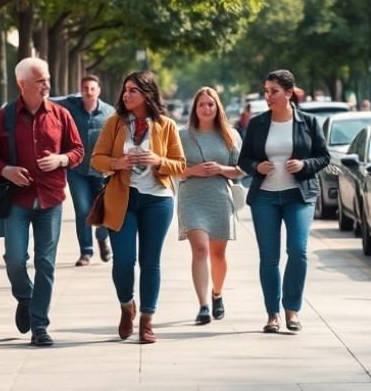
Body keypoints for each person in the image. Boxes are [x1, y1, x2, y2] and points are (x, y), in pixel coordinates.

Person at [0, 57, 84, 347]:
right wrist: (5, 170)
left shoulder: (61, 115)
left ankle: (40, 326)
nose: (47, 85)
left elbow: (77, 150)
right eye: (40, 81)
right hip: (16, 201)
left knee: (46, 264)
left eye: (47, 79)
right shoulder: (4, 116)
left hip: (51, 200)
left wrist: (61, 159)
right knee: (14, 259)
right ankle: (25, 298)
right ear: (22, 84)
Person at [91, 71, 186, 344]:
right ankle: (126, 305)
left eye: (132, 90)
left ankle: (146, 319)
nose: (126, 94)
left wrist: (158, 160)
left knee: (150, 262)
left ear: (147, 94)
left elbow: (180, 165)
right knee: (123, 260)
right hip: (122, 198)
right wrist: (116, 163)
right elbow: (97, 158)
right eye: (125, 89)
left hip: (157, 200)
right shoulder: (115, 123)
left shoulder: (166, 125)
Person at [237, 69, 329, 334]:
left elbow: (323, 157)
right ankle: (272, 315)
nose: (268, 96)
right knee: (269, 258)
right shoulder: (257, 124)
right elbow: (244, 160)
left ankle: (292, 309)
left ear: (289, 93)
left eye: (273, 91)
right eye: (266, 91)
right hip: (265, 196)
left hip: (298, 196)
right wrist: (257, 167)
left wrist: (303, 164)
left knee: (298, 251)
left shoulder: (308, 122)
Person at [177, 87, 244, 325]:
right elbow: (172, 169)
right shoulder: (182, 136)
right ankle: (203, 305)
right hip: (191, 196)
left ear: (217, 108)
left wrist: (220, 169)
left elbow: (240, 169)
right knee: (200, 250)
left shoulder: (230, 135)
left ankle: (217, 294)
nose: (207, 108)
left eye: (211, 104)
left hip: (218, 196)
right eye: (202, 104)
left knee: (217, 253)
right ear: (195, 109)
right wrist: (192, 170)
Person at [52, 75, 116, 267]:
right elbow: (48, 100)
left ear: (98, 91)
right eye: (85, 88)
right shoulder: (71, 106)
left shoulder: (109, 113)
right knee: (82, 210)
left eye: (92, 88)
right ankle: (85, 252)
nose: (89, 92)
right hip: (77, 170)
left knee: (105, 211)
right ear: (81, 90)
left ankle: (103, 238)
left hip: (101, 171)